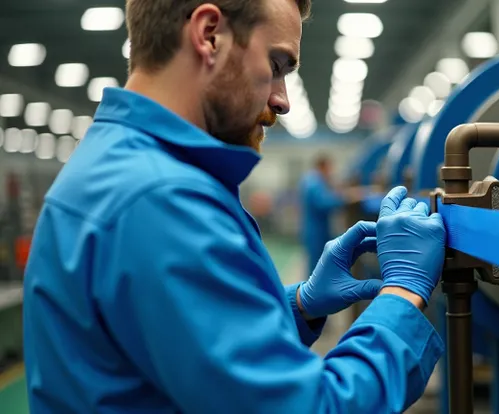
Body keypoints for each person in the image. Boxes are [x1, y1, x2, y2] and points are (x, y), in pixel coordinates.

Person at [22, 1, 447, 413]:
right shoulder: (161, 200)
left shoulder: (116, 163)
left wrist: (297, 306)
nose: (283, 100)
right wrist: (402, 295)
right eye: (277, 65)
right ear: (209, 35)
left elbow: (180, 349)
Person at [299, 154, 362, 279]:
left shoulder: (313, 180)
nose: (331, 172)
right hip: (316, 231)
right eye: (330, 168)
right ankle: (313, 296)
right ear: (323, 166)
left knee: (318, 263)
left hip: (316, 229)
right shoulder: (314, 182)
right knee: (316, 266)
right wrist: (344, 198)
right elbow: (322, 203)